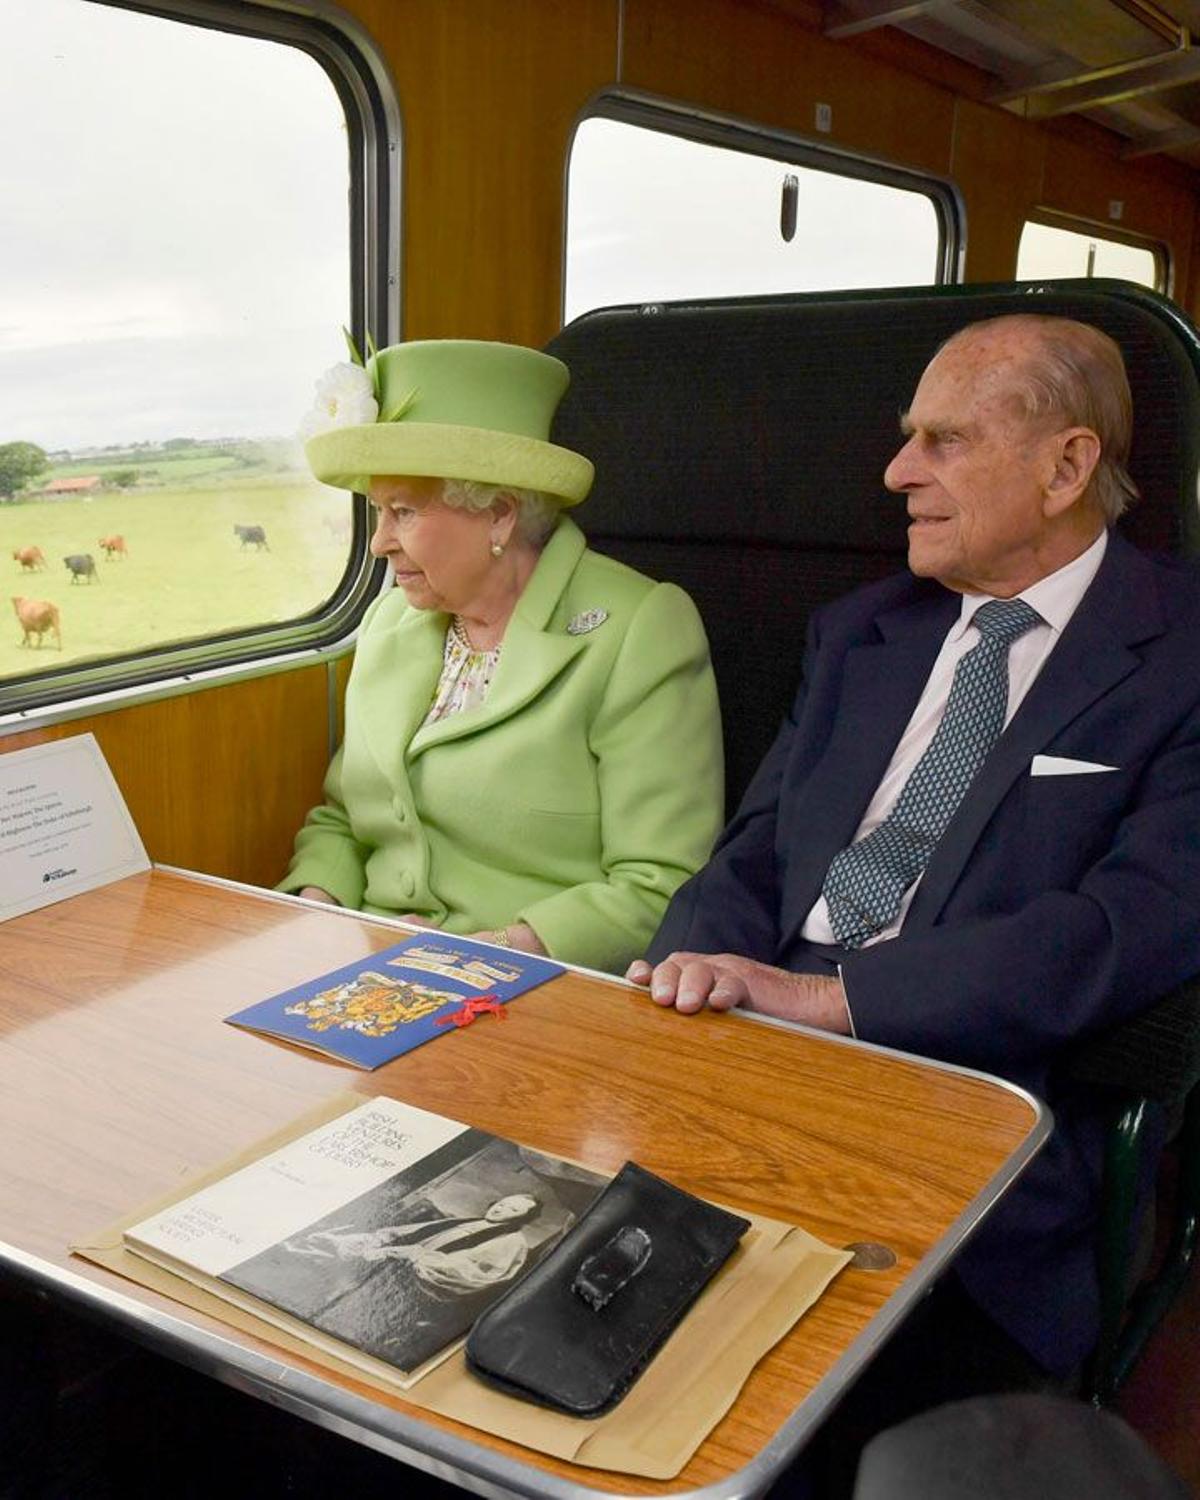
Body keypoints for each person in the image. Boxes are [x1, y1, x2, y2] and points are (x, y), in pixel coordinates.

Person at [630, 315, 1200, 1396]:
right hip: (747, 1048)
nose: (898, 473)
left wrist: (832, 1002)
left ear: (1067, 465)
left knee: (765, 1394)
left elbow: (1128, 927)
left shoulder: (1182, 653)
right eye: (907, 439)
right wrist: (690, 982)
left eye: (943, 441)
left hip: (970, 1091)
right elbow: (756, 851)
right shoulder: (860, 632)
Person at [281, 338, 723, 973]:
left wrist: (487, 951)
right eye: (377, 511)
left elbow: (661, 884)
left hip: (532, 983)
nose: (378, 543)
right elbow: (343, 820)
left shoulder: (640, 630)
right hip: (369, 962)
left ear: (498, 515)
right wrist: (313, 914)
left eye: (402, 511)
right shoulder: (388, 623)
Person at [291, 1193, 541, 1296]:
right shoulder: (471, 1221)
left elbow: (477, 1275)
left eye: (514, 1208)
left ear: (523, 1218)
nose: (502, 1208)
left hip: (418, 1286)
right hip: (390, 1261)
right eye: (505, 1202)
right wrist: (373, 1239)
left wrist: (417, 1256)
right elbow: (406, 1233)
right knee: (323, 1249)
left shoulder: (511, 1242)